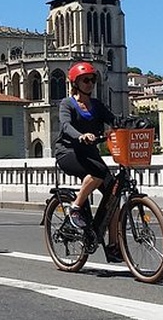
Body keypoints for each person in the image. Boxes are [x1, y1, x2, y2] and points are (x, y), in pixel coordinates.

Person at [53, 61, 121, 263]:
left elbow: (114, 119)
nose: (90, 83)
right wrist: (80, 135)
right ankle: (75, 207)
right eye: (85, 80)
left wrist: (135, 123)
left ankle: (113, 246)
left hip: (89, 154)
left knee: (114, 197)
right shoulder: (67, 104)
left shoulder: (97, 105)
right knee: (98, 172)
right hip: (68, 152)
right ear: (75, 83)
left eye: (92, 79)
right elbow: (65, 126)